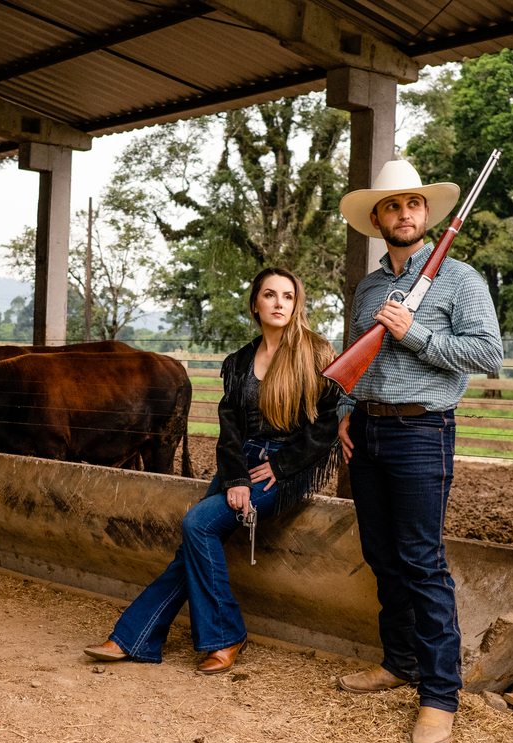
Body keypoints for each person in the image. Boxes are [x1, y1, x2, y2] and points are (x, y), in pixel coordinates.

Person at [83, 267, 340, 674]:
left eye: (288, 296)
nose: (279, 303)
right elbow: (231, 428)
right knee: (193, 547)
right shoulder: (239, 362)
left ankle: (224, 633)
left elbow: (327, 424)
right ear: (255, 304)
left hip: (284, 467)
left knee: (199, 524)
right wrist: (236, 478)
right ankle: (134, 638)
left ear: (297, 304)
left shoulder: (317, 352)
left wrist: (280, 464)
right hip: (243, 462)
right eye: (270, 295)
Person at [334, 160, 503, 743]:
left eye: (412, 205)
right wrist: (342, 414)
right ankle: (398, 661)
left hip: (421, 432)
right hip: (368, 433)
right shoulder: (370, 287)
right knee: (381, 556)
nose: (403, 215)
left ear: (425, 215)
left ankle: (438, 695)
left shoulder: (461, 280)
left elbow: (488, 355)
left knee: (422, 562)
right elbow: (353, 355)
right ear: (376, 218)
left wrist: (414, 333)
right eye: (390, 206)